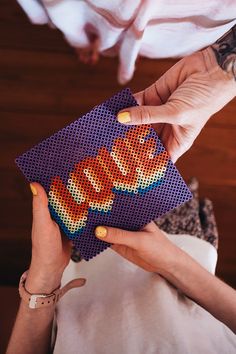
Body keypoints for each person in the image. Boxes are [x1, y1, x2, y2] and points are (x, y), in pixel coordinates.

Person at [7, 18, 236, 354]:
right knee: (161, 165)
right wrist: (170, 260)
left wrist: (43, 280)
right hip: (183, 250)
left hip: (73, 264)